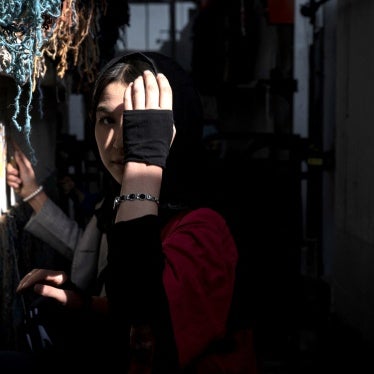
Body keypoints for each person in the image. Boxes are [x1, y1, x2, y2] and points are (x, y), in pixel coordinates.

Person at [6, 51, 257, 373]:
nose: (119, 142)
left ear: (174, 128)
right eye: (107, 120)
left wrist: (146, 162)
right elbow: (122, 293)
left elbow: (147, 321)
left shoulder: (204, 228)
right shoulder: (114, 205)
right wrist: (81, 303)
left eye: (140, 125)